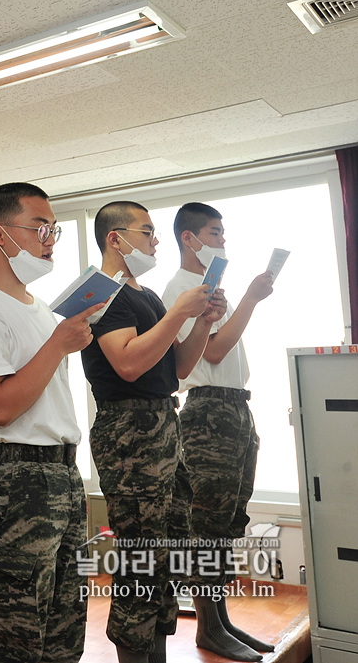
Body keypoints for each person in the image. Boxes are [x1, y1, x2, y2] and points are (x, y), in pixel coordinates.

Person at [0, 183, 103, 663]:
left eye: (52, 228)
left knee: (66, 622)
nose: (49, 238)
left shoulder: (42, 312)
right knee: (18, 631)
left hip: (61, 473)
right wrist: (58, 344)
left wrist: (58, 338)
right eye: (38, 227)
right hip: (14, 477)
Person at [80, 201, 225, 663]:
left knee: (164, 563)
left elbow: (179, 366)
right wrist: (176, 313)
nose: (155, 241)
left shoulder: (144, 295)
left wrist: (199, 321)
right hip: (130, 434)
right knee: (140, 564)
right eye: (146, 232)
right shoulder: (100, 292)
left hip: (163, 427)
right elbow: (126, 363)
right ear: (115, 238)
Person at [163, 203, 276, 662]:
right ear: (189, 239)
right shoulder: (182, 288)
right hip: (208, 413)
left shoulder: (208, 287)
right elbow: (210, 354)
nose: (222, 240)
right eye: (214, 232)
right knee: (207, 526)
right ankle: (209, 628)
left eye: (223, 232)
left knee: (229, 522)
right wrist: (249, 298)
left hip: (234, 408)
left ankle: (221, 620)